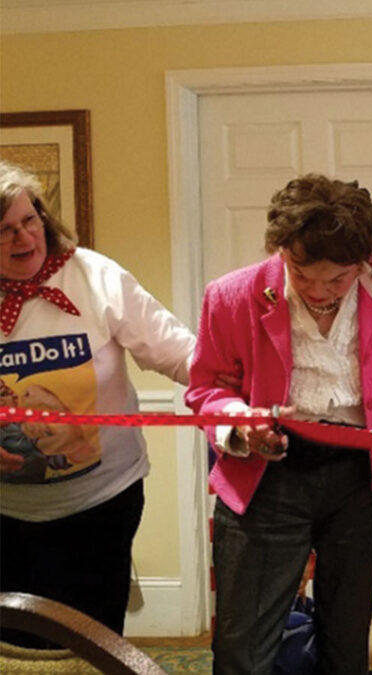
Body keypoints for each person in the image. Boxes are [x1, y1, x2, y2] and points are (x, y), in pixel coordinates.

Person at [186, 174, 372, 674]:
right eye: (301, 275)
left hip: (357, 478)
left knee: (348, 639)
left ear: (367, 260)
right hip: (269, 476)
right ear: (281, 250)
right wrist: (241, 424)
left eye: (337, 279)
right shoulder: (232, 295)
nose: (317, 292)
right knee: (244, 646)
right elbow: (206, 388)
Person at [0, 160, 196, 642]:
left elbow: (182, 354)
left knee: (94, 639)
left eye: (29, 221)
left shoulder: (94, 275)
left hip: (103, 505)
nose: (24, 238)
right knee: (18, 646)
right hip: (6, 516)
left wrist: (244, 391)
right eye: (3, 231)